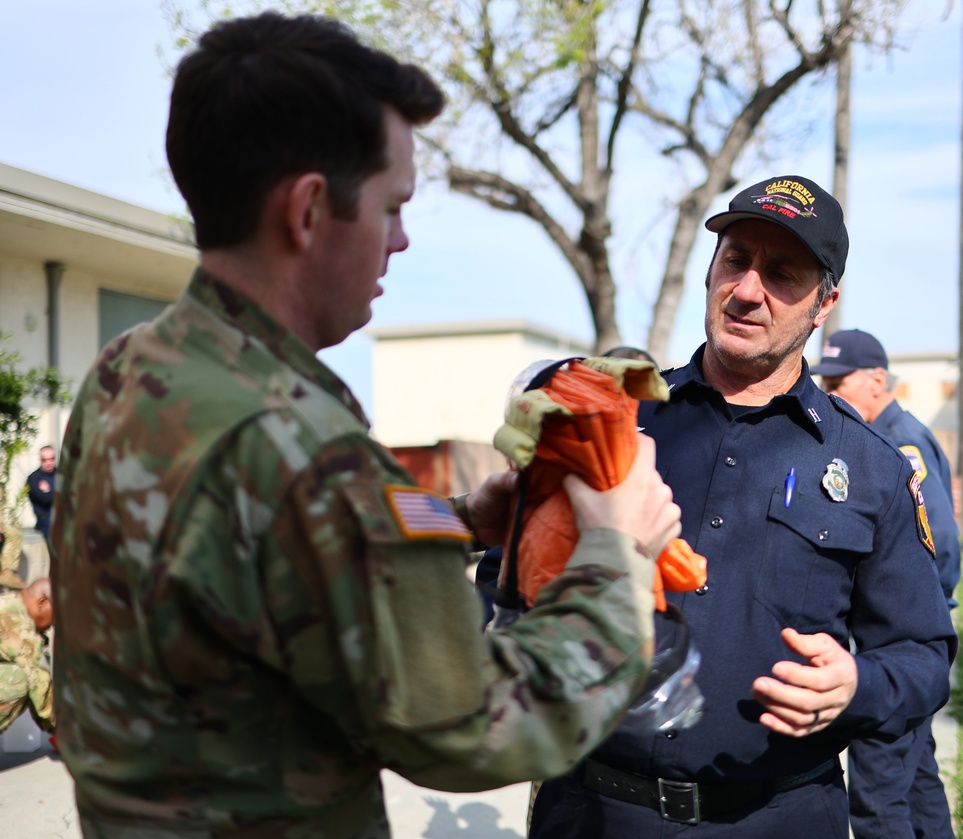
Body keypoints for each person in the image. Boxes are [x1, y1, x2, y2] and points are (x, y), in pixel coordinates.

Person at [49, 12, 683, 839]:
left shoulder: (132, 366)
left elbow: (256, 560)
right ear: (309, 210)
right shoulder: (301, 446)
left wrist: (454, 522)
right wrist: (616, 555)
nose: (403, 240)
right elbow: (477, 723)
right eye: (392, 206)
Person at [528, 175, 958, 838]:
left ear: (824, 303)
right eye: (736, 260)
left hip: (779, 817)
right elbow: (509, 573)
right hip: (593, 810)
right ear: (710, 270)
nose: (748, 290)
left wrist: (858, 684)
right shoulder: (615, 423)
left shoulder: (872, 466)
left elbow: (922, 653)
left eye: (782, 273)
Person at [814, 328, 959, 839]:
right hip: (906, 639)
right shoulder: (879, 434)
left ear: (877, 379)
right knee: (917, 775)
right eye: (823, 379)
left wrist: (912, 625)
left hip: (905, 640)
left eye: (839, 379)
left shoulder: (900, 443)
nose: (828, 390)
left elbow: (935, 543)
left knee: (878, 792)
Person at [0, 578, 54, 735]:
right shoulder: (20, 626)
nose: (53, 623)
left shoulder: (9, 602)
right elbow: (39, 683)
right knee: (19, 679)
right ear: (42, 602)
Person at [26, 445, 56, 539]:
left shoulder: (60, 475)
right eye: (45, 460)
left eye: (51, 459)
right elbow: (45, 500)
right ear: (40, 460)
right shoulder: (34, 478)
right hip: (45, 520)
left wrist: (49, 491)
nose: (48, 463)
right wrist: (56, 492)